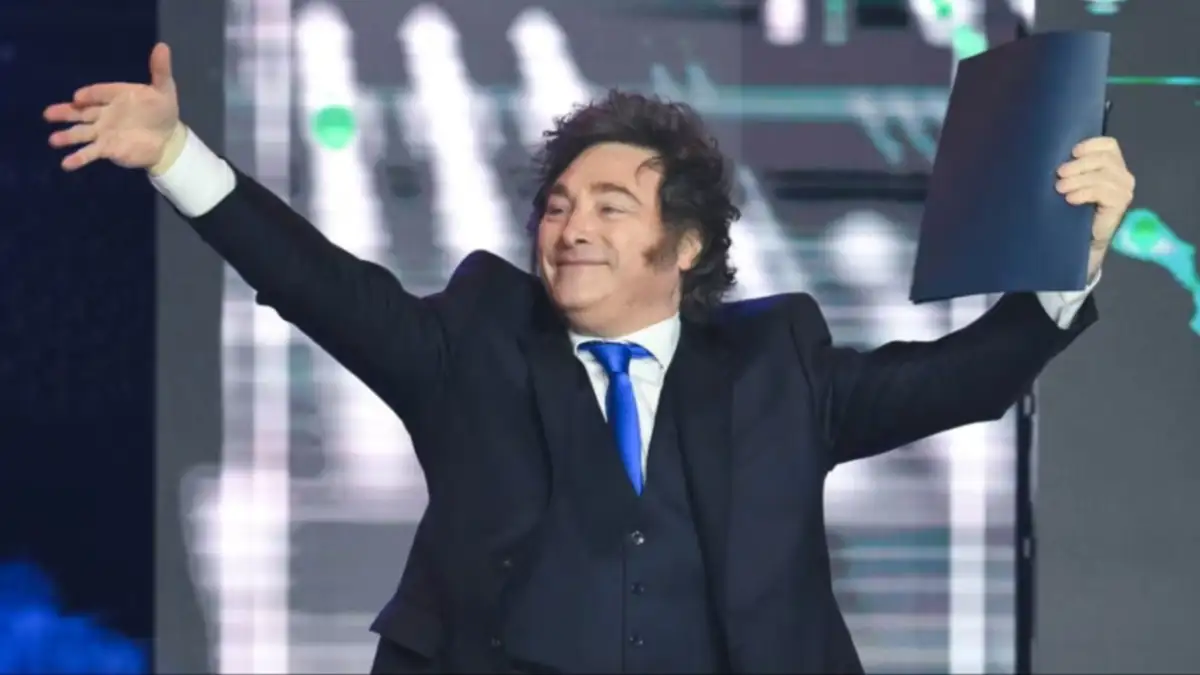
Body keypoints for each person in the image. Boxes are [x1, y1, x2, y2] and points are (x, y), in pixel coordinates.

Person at [45, 44, 1135, 674]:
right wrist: (176, 154)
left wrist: (1070, 260)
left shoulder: (778, 363)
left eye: (611, 207)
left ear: (687, 244)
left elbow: (963, 380)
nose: (571, 228)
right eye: (560, 205)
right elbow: (315, 279)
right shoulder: (472, 341)